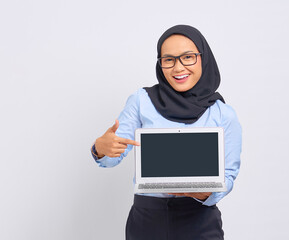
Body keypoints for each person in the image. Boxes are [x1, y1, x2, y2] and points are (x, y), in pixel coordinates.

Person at [90, 25, 242, 240]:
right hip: (147, 219)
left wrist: (204, 193)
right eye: (168, 59)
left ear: (203, 58)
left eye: (188, 57)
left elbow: (228, 176)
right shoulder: (141, 101)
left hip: (199, 221)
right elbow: (110, 158)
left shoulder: (223, 114)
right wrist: (100, 149)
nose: (178, 68)